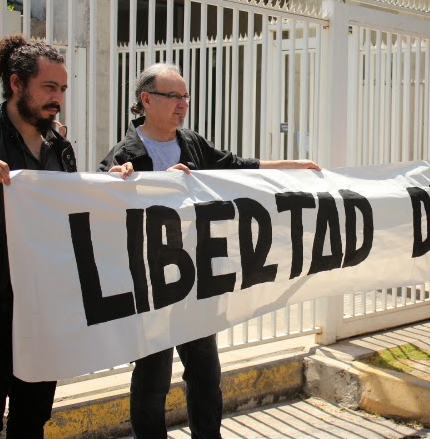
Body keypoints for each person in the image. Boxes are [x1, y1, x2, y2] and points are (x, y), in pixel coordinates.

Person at [98, 62, 320, 439]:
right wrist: (122, 182)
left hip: (196, 280)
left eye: (185, 96)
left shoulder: (192, 142)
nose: (182, 103)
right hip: (153, 285)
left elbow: (236, 167)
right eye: (173, 96)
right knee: (152, 378)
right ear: (146, 100)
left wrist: (292, 168)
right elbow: (103, 202)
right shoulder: (125, 154)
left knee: (205, 373)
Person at [0, 35, 76, 438]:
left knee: (33, 416)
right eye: (48, 87)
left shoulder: (60, 147)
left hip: (42, 308)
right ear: (16, 84)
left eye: (61, 89)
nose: (57, 98)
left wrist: (114, 184)